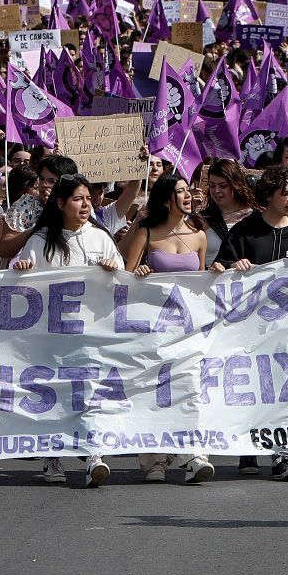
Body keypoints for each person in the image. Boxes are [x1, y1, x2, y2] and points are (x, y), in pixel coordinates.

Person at [212, 166, 288, 480]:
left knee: (284, 389)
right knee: (251, 387)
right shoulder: (245, 231)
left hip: (287, 332)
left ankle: (283, 455)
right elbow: (218, 269)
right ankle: (247, 449)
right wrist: (231, 265)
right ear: (269, 196)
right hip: (248, 329)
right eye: (286, 193)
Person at [13, 174, 124, 486]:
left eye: (88, 198)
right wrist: (20, 271)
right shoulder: (40, 240)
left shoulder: (101, 238)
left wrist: (115, 270)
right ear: (60, 203)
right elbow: (13, 285)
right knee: (55, 395)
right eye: (78, 198)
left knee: (90, 393)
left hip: (90, 334)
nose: (86, 204)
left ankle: (94, 456)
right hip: (51, 336)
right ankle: (52, 457)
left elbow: (122, 282)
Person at [121, 174, 215, 484]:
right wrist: (140, 273)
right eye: (181, 192)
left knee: (188, 387)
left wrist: (216, 272)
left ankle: (192, 454)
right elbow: (125, 276)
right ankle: (155, 460)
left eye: (188, 190)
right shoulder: (147, 233)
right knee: (156, 392)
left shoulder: (199, 235)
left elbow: (200, 286)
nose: (189, 195)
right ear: (166, 200)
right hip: (151, 329)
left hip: (185, 329)